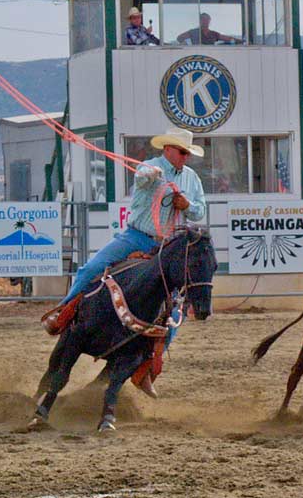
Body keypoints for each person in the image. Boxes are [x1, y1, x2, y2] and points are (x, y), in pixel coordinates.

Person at [55, 127, 207, 398]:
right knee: (91, 269)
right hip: (136, 238)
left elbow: (200, 210)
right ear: (168, 149)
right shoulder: (150, 167)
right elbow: (142, 179)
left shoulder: (191, 179)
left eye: (188, 153)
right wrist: (151, 175)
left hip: (165, 249)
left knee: (172, 315)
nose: (185, 157)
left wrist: (187, 206)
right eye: (183, 152)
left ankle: (144, 368)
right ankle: (63, 313)